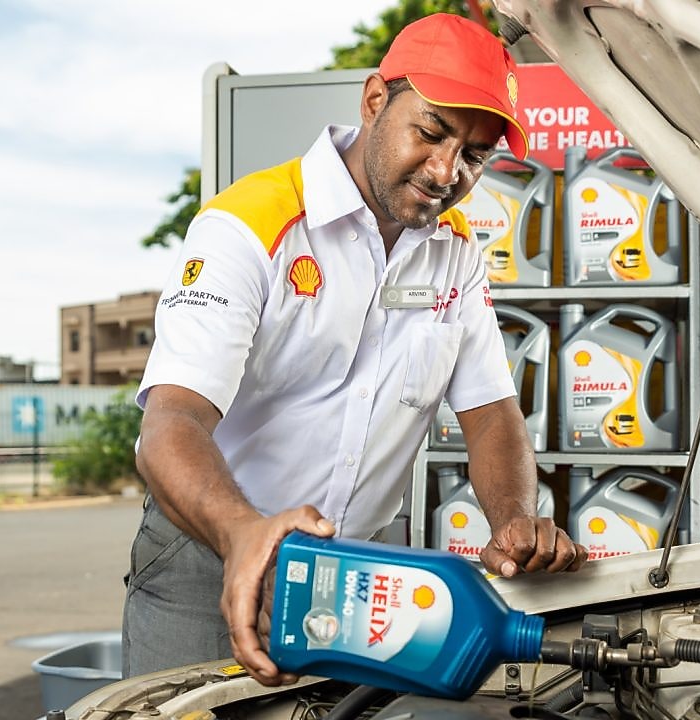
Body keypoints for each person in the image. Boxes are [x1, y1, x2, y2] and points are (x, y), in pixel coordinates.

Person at [124, 12, 587, 686]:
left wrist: (515, 520)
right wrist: (243, 534)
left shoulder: (456, 252)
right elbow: (172, 421)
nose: (446, 171)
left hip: (361, 575)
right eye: (431, 132)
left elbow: (490, 412)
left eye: (475, 155)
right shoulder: (248, 225)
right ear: (374, 100)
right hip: (211, 552)